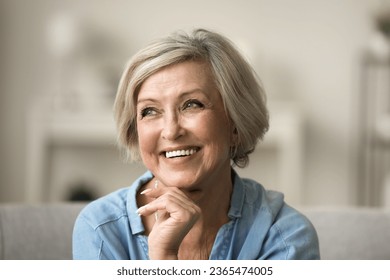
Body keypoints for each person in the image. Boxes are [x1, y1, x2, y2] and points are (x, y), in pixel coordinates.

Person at [72, 28, 320, 260]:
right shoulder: (100, 230)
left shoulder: (285, 236)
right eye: (149, 111)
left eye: (192, 104)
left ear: (235, 124)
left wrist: (166, 260)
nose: (171, 130)